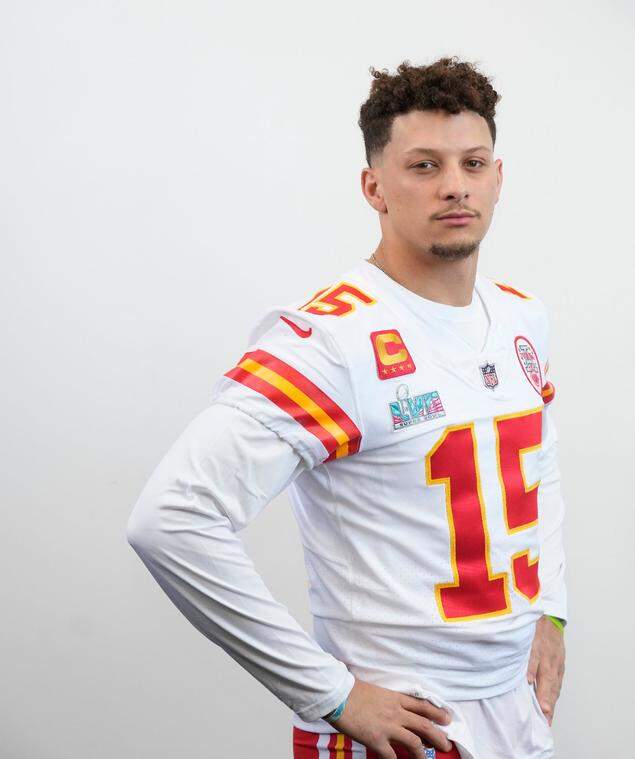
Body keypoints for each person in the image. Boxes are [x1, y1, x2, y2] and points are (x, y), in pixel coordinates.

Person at [126, 56, 568, 759]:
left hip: (514, 708)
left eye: (473, 162)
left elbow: (534, 464)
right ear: (375, 187)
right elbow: (170, 518)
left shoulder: (522, 317)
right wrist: (330, 692)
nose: (455, 185)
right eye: (423, 166)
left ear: (498, 175)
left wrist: (552, 609)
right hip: (407, 723)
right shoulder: (330, 341)